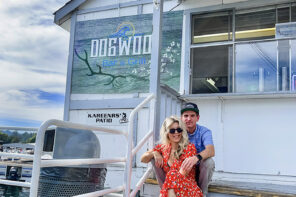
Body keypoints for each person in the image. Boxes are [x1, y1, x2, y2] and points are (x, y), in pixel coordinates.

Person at [153, 103, 215, 197]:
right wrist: (155, 152)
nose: (189, 119)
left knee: (209, 162)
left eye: (192, 116)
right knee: (157, 162)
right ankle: (165, 189)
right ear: (181, 118)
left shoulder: (204, 132)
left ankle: (202, 193)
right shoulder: (178, 130)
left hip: (198, 169)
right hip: (180, 173)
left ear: (197, 118)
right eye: (186, 116)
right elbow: (155, 149)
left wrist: (196, 157)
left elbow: (211, 150)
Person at [141, 116, 203, 197]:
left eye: (179, 129)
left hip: (189, 189)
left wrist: (167, 187)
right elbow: (143, 159)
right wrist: (154, 153)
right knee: (171, 177)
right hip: (170, 189)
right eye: (172, 130)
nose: (176, 133)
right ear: (166, 132)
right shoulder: (163, 148)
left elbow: (183, 173)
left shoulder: (189, 147)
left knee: (172, 174)